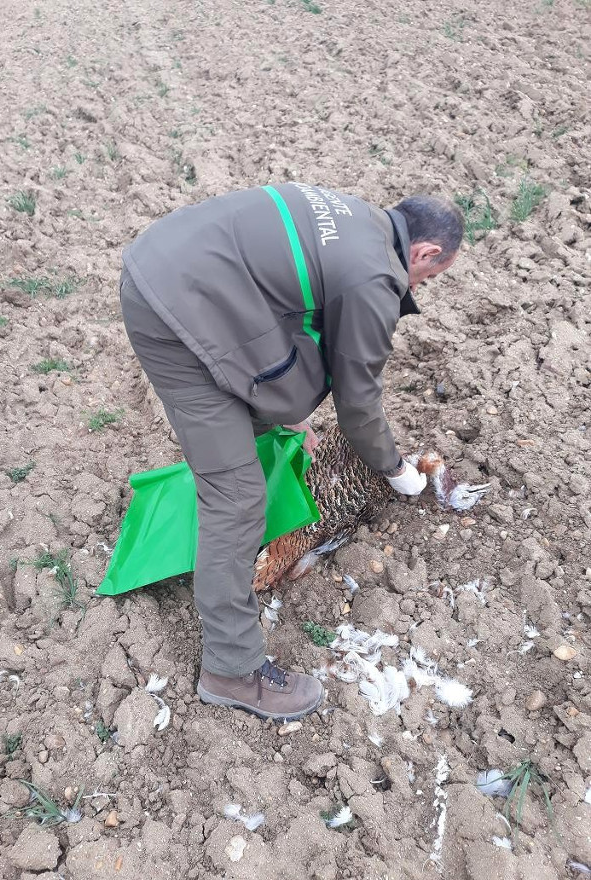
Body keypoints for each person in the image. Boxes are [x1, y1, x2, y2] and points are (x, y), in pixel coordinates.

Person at [119, 183, 463, 721]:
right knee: (234, 496)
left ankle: (198, 530)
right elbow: (359, 404)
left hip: (170, 269)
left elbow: (274, 300)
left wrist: (283, 403)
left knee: (244, 444)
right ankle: (232, 670)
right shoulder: (375, 276)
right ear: (424, 253)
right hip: (174, 311)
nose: (422, 285)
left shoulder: (356, 217)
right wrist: (398, 472)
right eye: (431, 276)